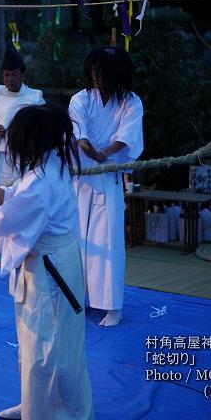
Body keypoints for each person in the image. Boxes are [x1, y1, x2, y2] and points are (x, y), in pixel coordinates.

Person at [0, 105, 93, 420]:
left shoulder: (42, 181)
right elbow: (12, 198)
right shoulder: (48, 167)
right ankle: (34, 403)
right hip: (48, 266)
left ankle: (59, 412)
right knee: (33, 342)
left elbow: (5, 220)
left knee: (50, 349)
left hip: (51, 272)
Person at [69, 46, 144, 327]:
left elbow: (127, 136)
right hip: (81, 178)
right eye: (94, 72)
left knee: (108, 243)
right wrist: (89, 149)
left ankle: (112, 307)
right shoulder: (80, 99)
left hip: (109, 178)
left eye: (103, 73)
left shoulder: (131, 102)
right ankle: (75, 296)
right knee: (76, 241)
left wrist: (105, 153)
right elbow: (79, 132)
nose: (97, 77)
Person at [0, 45, 44, 262]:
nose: (9, 79)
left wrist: (15, 133)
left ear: (22, 74)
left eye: (13, 74)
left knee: (17, 203)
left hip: (18, 159)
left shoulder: (34, 98)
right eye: (6, 74)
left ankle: (20, 251)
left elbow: (40, 128)